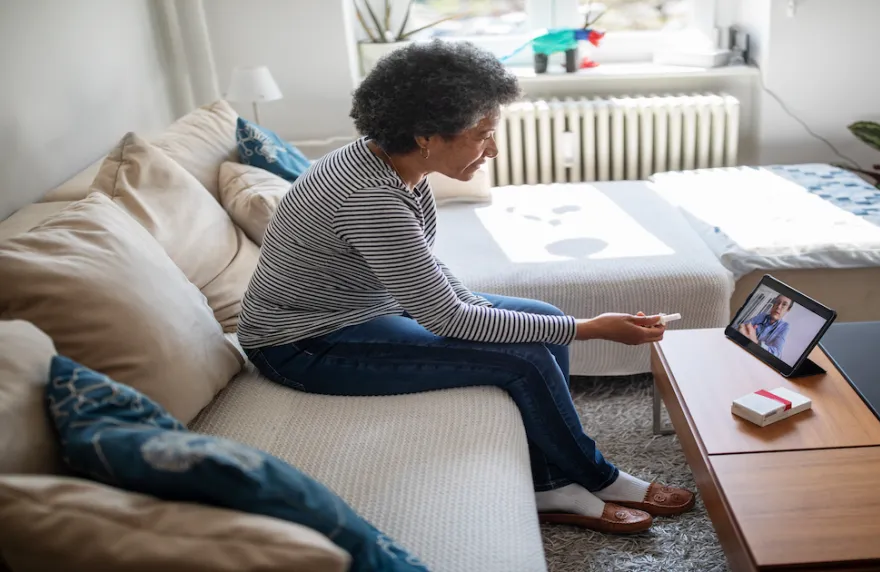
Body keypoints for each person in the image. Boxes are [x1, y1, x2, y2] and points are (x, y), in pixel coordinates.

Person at [236, 40, 694, 535]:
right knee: (527, 356)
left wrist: (547, 322)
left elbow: (427, 273)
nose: (492, 149)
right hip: (301, 344)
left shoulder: (391, 163)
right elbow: (448, 319)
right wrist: (589, 328)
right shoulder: (371, 197)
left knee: (538, 316)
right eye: (483, 134)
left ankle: (548, 485)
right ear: (427, 135)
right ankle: (598, 478)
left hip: (365, 310)